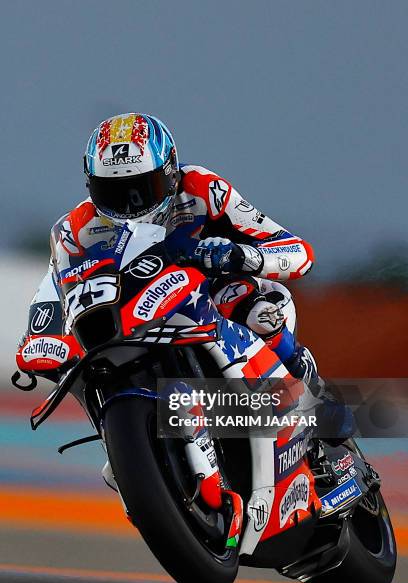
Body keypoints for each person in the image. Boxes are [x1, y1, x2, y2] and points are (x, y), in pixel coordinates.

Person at [17, 113, 353, 442]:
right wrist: (38, 336)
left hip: (212, 297)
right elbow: (55, 284)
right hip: (136, 319)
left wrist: (242, 256)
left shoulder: (203, 188)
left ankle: (309, 390)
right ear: (91, 186)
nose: (131, 205)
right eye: (113, 193)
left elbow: (298, 252)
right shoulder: (78, 227)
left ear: (171, 172)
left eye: (142, 189)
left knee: (252, 309)